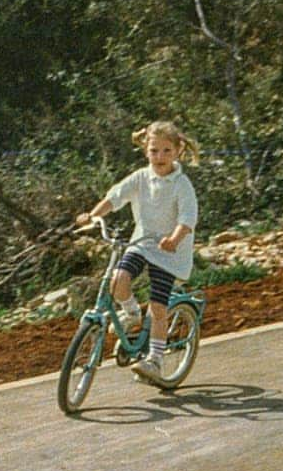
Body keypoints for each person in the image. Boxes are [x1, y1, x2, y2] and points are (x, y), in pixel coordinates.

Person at [76, 120, 199, 384]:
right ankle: (132, 313)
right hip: (142, 243)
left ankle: (154, 359)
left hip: (169, 253)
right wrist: (92, 216)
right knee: (118, 280)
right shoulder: (141, 178)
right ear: (146, 151)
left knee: (157, 307)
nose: (160, 157)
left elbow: (188, 218)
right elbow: (115, 197)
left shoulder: (182, 184)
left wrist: (174, 239)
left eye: (166, 151)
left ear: (178, 150)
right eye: (154, 151)